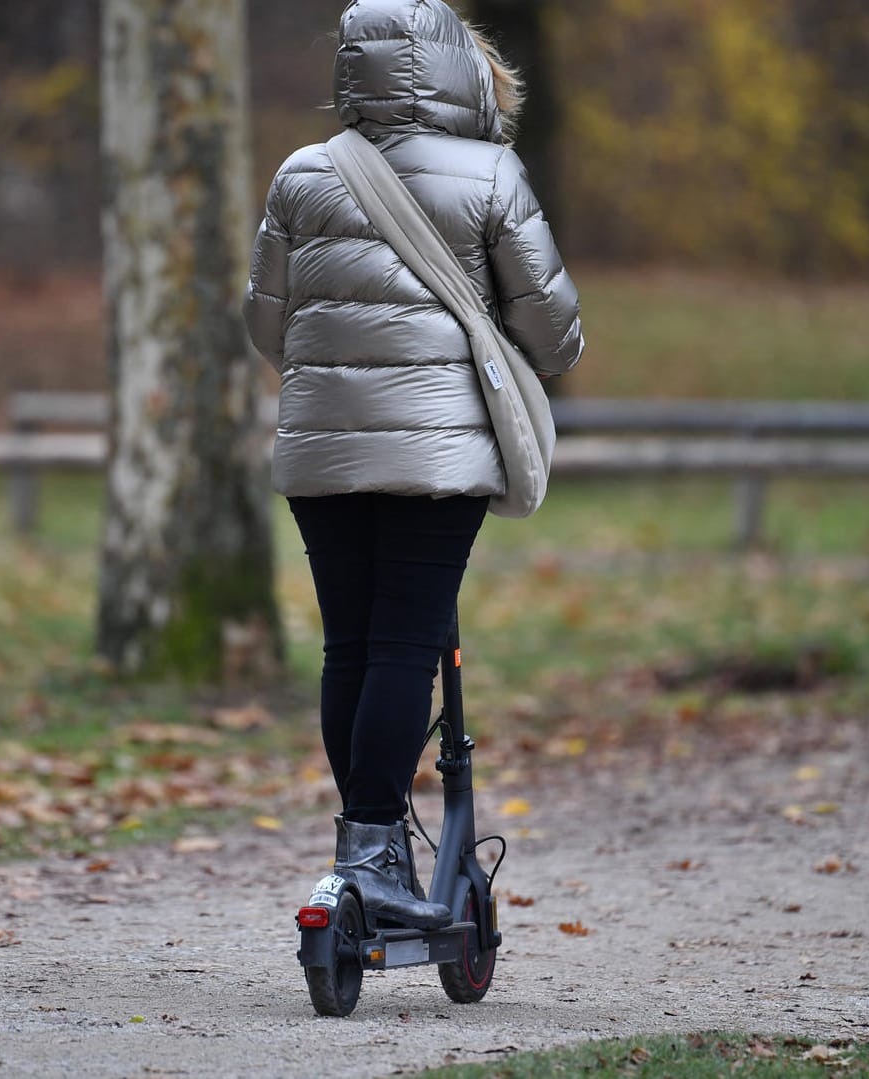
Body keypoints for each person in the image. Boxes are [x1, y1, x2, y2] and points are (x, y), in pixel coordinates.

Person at [243, 0, 583, 929]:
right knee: (404, 644)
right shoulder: (491, 174)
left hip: (319, 446)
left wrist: (337, 383)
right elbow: (554, 333)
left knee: (348, 644)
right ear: (454, 67)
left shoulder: (302, 175)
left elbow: (264, 322)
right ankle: (371, 850)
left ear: (354, 68)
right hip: (437, 450)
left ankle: (364, 845)